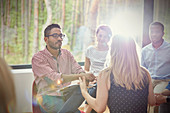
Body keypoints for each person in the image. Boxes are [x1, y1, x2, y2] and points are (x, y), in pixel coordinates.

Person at [79, 35, 156, 113]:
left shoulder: (106, 75)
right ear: (133, 51)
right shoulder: (145, 73)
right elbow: (152, 102)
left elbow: (99, 108)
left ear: (113, 50)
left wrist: (84, 92)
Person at [32, 24, 95, 113]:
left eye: (61, 35)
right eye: (55, 36)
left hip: (66, 94)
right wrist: (81, 75)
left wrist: (86, 77)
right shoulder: (38, 58)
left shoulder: (67, 54)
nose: (60, 38)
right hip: (48, 97)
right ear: (46, 39)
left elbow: (78, 69)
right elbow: (56, 78)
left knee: (83, 89)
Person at [141, 22, 170, 113]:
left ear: (163, 33)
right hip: (149, 80)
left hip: (164, 81)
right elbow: (142, 71)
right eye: (151, 31)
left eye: (157, 32)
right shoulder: (145, 50)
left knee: (155, 98)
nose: (153, 34)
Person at [84, 25, 112, 113]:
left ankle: (86, 111)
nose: (102, 38)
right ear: (96, 35)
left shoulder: (111, 51)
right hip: (92, 78)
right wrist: (90, 77)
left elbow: (111, 70)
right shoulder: (90, 50)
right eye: (100, 35)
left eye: (105, 36)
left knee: (97, 88)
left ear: (109, 38)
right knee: (95, 88)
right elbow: (86, 69)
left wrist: (100, 79)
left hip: (105, 79)